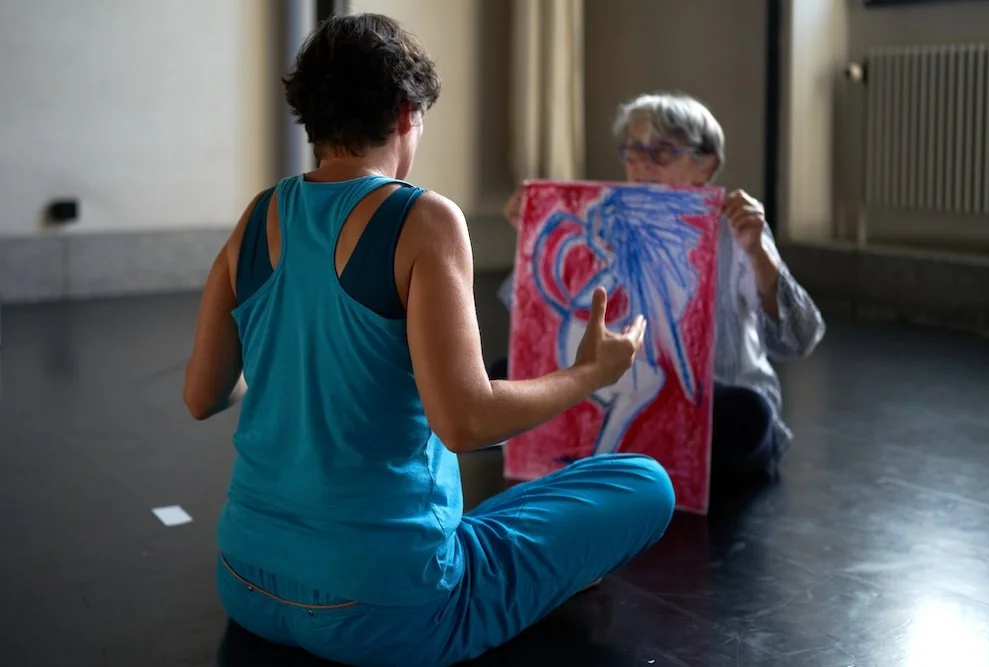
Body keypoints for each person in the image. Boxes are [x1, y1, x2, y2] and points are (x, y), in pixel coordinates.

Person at [182, 14, 675, 667]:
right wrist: (590, 371)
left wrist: (292, 353)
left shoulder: (257, 216)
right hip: (386, 612)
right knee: (644, 481)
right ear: (407, 112)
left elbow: (202, 394)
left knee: (518, 507)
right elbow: (465, 421)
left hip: (245, 583)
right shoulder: (421, 218)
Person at [496, 92, 826, 484]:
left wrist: (759, 255)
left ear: (705, 165)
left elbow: (799, 339)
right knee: (505, 375)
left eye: (663, 151)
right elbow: (542, 330)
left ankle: (625, 455)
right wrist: (532, 235)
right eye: (633, 151)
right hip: (619, 390)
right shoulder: (603, 220)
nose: (643, 164)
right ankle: (638, 454)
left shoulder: (733, 231)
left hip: (708, 402)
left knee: (750, 414)